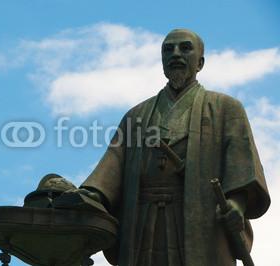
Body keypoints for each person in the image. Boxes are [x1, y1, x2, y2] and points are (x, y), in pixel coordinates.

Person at [76, 29, 271, 266]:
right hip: (142, 221)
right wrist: (93, 193)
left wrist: (236, 204)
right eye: (168, 49)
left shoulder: (226, 108)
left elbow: (242, 167)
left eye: (185, 48)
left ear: (200, 62)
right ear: (162, 61)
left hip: (200, 218)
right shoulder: (136, 116)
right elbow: (112, 164)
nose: (175, 54)